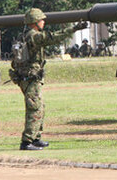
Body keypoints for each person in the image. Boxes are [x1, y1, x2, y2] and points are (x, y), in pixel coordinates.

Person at [12, 8, 85, 150]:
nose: (44, 22)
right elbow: (54, 37)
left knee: (40, 107)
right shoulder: (34, 36)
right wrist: (74, 28)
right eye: (41, 20)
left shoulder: (26, 35)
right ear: (35, 22)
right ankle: (27, 141)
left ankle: (36, 137)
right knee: (34, 108)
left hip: (30, 77)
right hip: (31, 78)